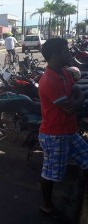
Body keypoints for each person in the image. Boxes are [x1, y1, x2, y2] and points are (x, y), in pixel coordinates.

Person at [38, 37, 88, 218]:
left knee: (86, 157)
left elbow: (76, 91)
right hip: (55, 135)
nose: (69, 54)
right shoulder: (49, 81)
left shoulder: (64, 72)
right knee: (52, 173)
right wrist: (80, 100)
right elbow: (71, 107)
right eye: (65, 52)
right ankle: (46, 206)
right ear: (54, 55)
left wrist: (79, 98)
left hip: (69, 131)